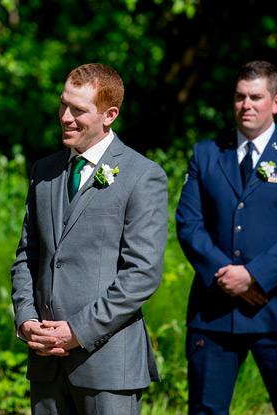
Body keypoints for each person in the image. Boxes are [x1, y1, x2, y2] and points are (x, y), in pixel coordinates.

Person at [9, 63, 166, 414]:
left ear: (109, 114)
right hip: (46, 361)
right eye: (63, 105)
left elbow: (141, 274)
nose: (65, 116)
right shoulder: (44, 171)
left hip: (108, 366)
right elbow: (27, 256)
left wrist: (77, 332)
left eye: (78, 110)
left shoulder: (143, 176)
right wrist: (27, 320)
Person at [176, 60, 277, 415]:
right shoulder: (206, 154)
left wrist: (253, 276)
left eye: (256, 97)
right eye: (240, 97)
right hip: (215, 311)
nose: (246, 105)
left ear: (275, 102)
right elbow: (188, 224)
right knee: (205, 411)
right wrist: (226, 275)